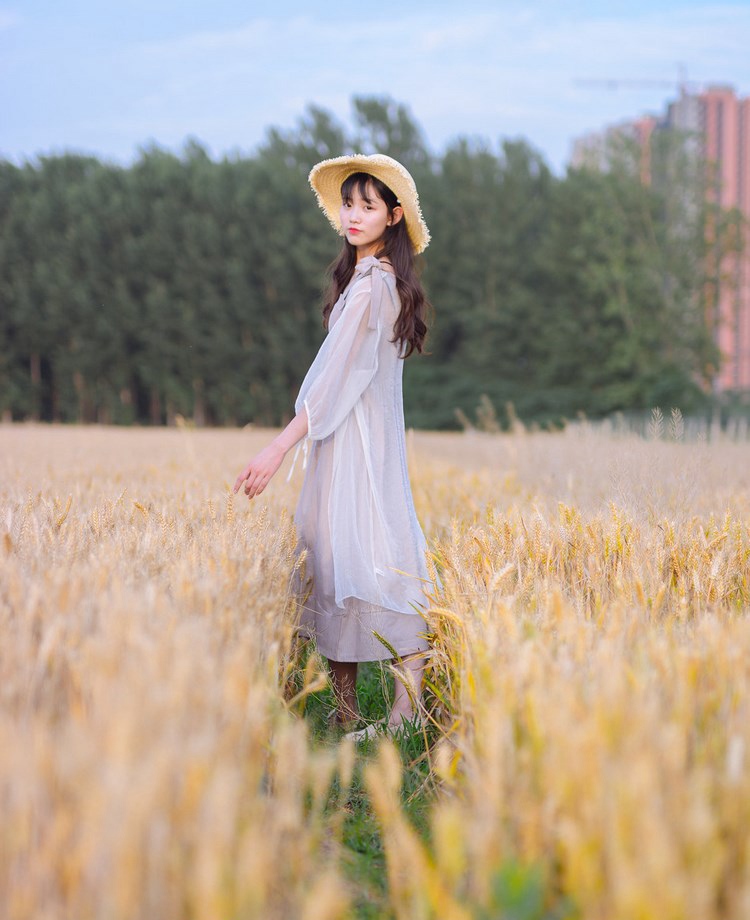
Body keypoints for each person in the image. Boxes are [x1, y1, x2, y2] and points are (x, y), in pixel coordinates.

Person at [233, 153, 432, 738]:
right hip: (342, 441)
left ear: (393, 217)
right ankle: (348, 714)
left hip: (359, 448)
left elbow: (331, 382)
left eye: (368, 206)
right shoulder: (361, 281)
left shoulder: (373, 287)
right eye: (348, 204)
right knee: (333, 559)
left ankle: (404, 711)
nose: (352, 215)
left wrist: (275, 450)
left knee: (377, 561)